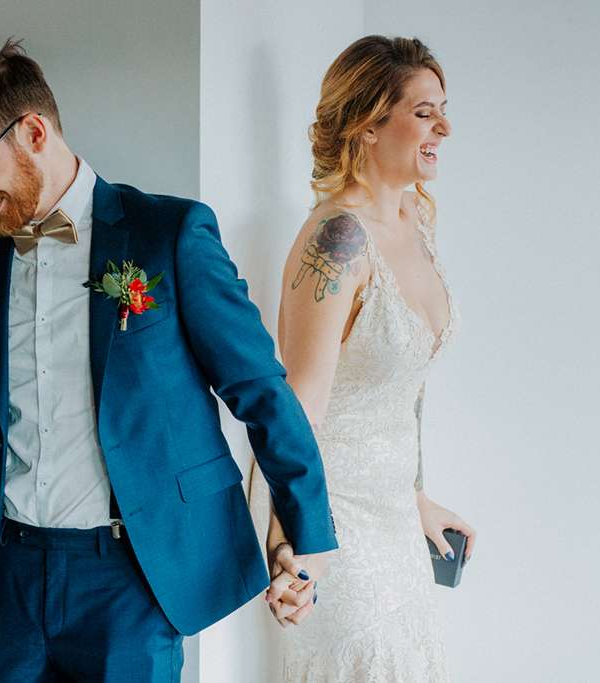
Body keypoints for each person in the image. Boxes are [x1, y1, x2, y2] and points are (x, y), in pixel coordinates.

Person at [0, 39, 337, 683]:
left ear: (33, 133)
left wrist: (307, 537)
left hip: (134, 580)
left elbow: (260, 390)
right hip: (10, 577)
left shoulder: (169, 233)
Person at [252, 35, 477, 681]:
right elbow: (298, 409)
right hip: (336, 517)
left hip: (396, 522)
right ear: (368, 124)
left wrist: (416, 496)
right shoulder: (338, 239)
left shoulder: (415, 221)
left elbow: (409, 384)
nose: (444, 128)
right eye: (424, 112)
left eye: (443, 111)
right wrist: (292, 544)